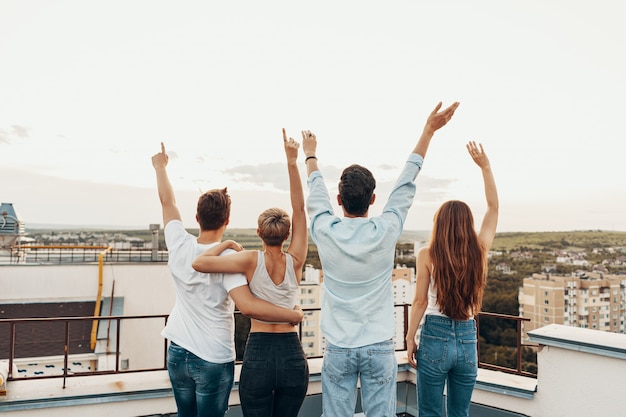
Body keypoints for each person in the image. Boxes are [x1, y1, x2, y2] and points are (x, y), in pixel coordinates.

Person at [302, 101, 460, 417]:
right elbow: (406, 183)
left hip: (339, 347)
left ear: (339, 200)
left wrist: (310, 154)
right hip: (378, 345)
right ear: (373, 199)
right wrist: (428, 131)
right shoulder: (386, 229)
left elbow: (315, 190)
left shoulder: (324, 228)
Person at [151, 142, 304, 417]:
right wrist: (293, 314)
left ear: (197, 218)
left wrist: (160, 167)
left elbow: (168, 202)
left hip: (177, 350)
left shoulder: (178, 243)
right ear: (227, 220)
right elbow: (248, 305)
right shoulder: (230, 265)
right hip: (212, 356)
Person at [191, 129, 309, 417]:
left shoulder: (248, 261)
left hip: (258, 354)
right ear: (288, 234)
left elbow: (200, 263)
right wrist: (292, 161)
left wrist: (228, 243)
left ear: (258, 233)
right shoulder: (296, 259)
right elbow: (300, 208)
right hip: (292, 353)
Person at [405, 141, 499, 417]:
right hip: (468, 338)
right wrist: (486, 167)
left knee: (430, 413)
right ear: (468, 224)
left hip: (435, 335)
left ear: (439, 224)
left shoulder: (427, 254)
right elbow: (493, 209)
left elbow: (421, 301)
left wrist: (410, 338)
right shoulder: (479, 250)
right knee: (460, 414)